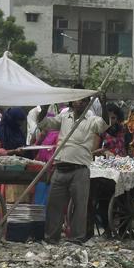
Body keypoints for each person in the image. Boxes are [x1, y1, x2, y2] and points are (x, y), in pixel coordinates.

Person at [37, 95, 105, 243]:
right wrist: (43, 108)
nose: (79, 102)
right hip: (60, 166)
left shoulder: (92, 119)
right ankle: (51, 237)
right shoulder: (64, 116)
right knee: (53, 205)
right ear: (72, 101)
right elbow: (44, 124)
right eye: (77, 99)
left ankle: (76, 238)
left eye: (83, 100)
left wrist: (104, 103)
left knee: (80, 206)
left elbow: (103, 125)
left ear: (88, 103)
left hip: (79, 169)